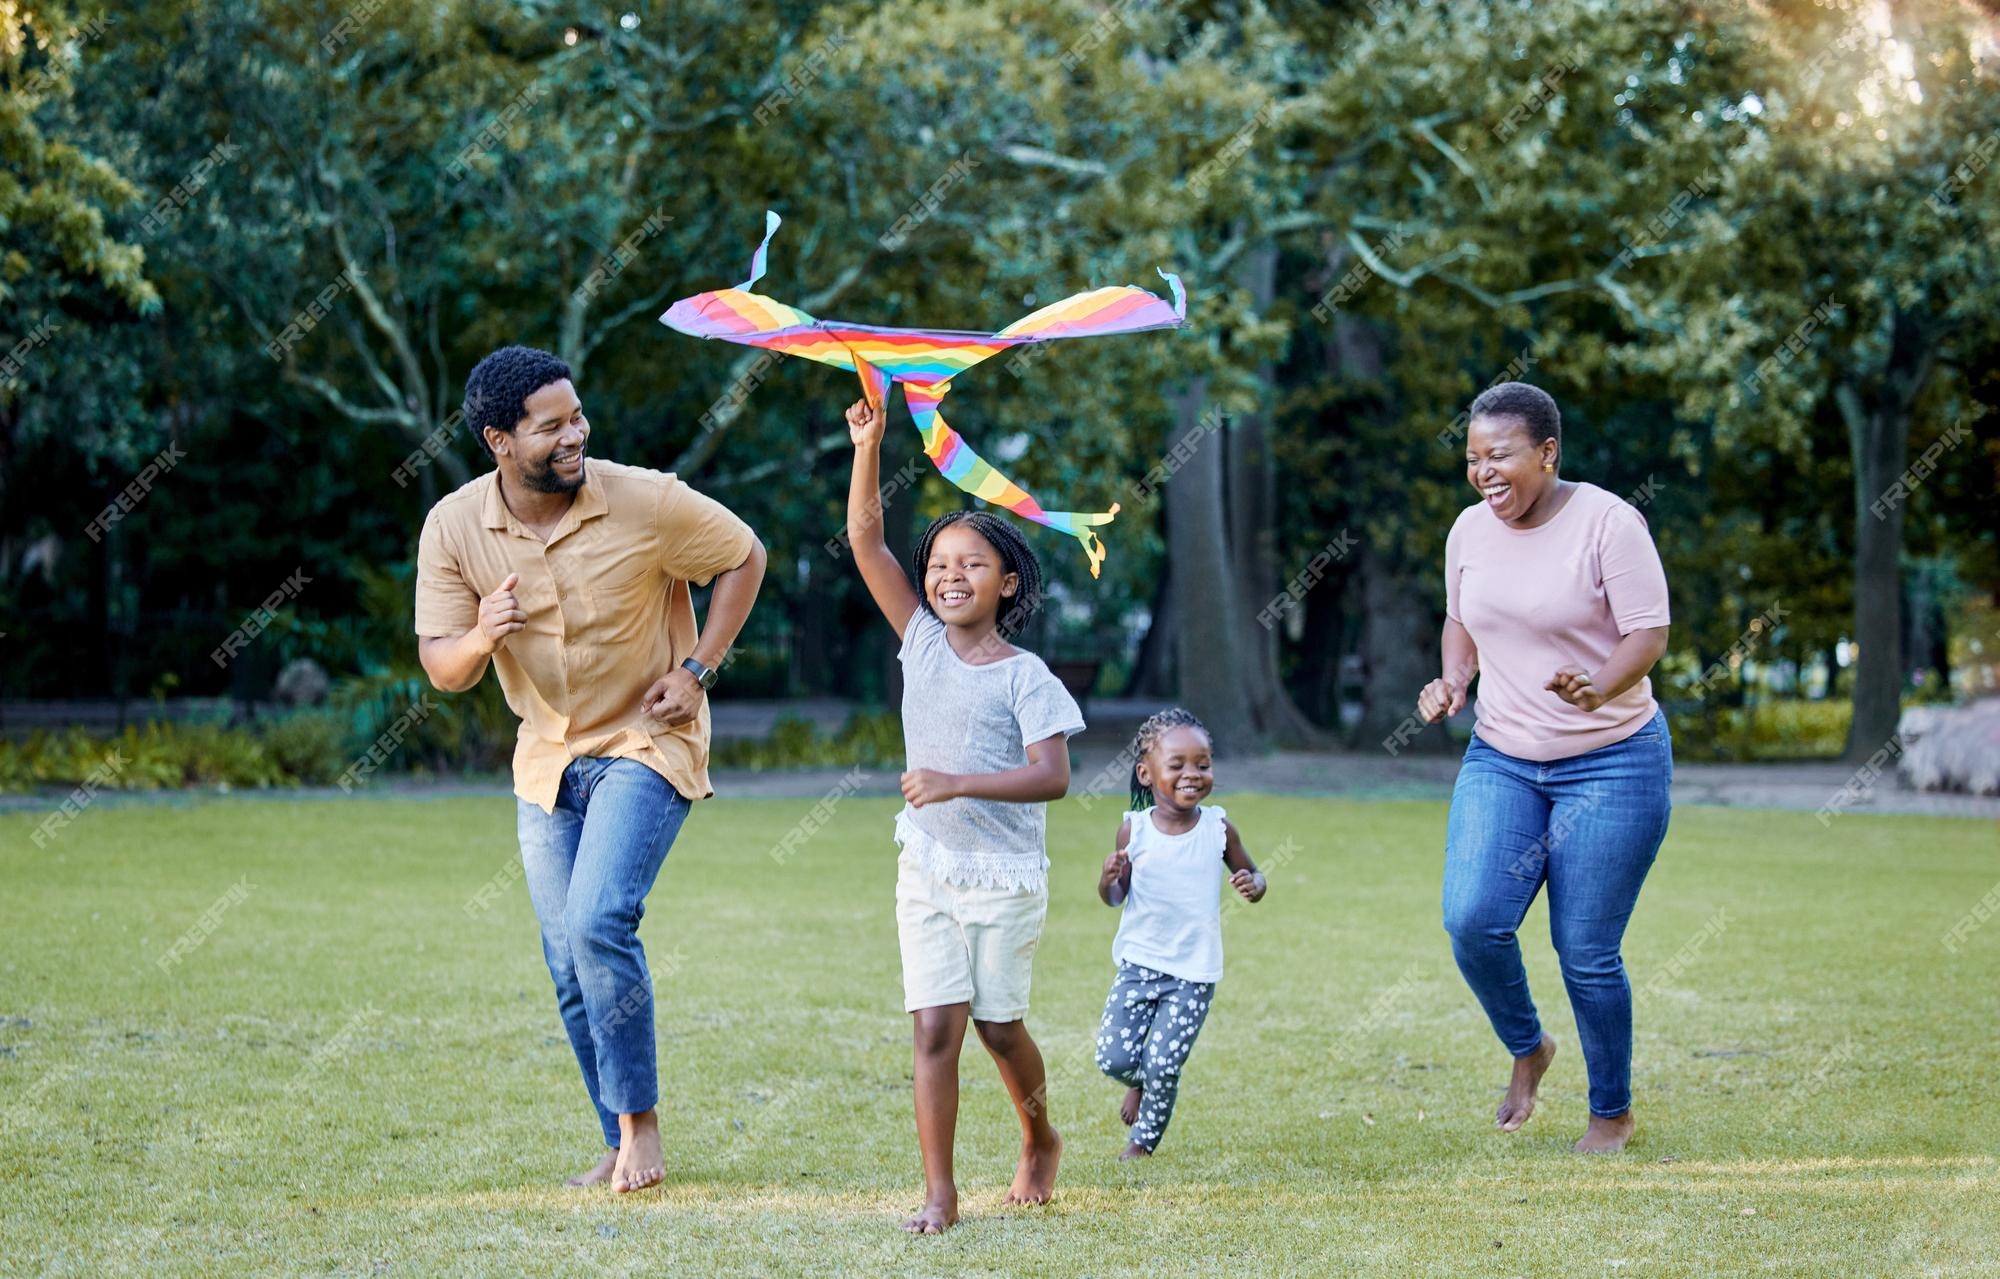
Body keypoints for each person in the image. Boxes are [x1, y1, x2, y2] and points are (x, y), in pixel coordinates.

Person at [414, 345, 767, 1192]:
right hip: (546, 759)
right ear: (500, 439)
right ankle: (614, 1134)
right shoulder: (454, 526)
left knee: (599, 919)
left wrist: (699, 669)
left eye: (578, 416)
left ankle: (640, 1128)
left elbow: (745, 555)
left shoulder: (646, 500)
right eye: (552, 425)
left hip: (646, 742)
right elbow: (442, 665)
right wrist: (483, 634)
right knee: (566, 954)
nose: (576, 433)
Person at [841, 396, 1083, 1234]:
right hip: (930, 867)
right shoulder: (920, 641)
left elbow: (1052, 777)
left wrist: (957, 781)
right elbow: (868, 543)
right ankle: (940, 1193)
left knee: (998, 1025)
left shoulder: (1026, 676)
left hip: (1006, 878)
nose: (950, 576)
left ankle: (1039, 1135)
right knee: (935, 1025)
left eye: (972, 564)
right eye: (940, 563)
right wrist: (868, 445)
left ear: (1006, 581)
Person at [1417, 380, 1672, 1154]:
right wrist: (1454, 679)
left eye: (1500, 456)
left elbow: (1649, 632)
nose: (1484, 472)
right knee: (1472, 917)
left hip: (1613, 762)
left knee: (1586, 949)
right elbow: (1462, 619)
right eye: (1472, 458)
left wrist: (1599, 686)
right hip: (1503, 754)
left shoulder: (1609, 523)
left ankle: (1611, 1111)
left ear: (1547, 452)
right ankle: (1529, 1046)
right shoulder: (1469, 530)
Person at [1094, 708, 1265, 1159]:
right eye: (1178, 765)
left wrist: (1255, 884)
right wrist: (1110, 875)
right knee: (1112, 1057)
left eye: (1203, 764)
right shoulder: (1134, 831)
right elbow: (1114, 897)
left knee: (1165, 1062)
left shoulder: (1218, 828)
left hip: (1193, 973)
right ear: (1146, 773)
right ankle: (1138, 1082)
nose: (1193, 774)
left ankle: (1142, 1143)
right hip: (1139, 965)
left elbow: (1253, 872)